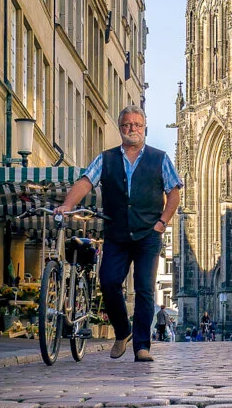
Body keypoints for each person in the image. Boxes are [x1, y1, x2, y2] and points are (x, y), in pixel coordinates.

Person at [59, 106, 181, 364]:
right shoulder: (106, 158)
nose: (132, 129)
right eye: (127, 125)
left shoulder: (159, 158)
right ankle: (122, 330)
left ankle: (142, 347)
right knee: (109, 282)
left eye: (137, 125)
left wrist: (162, 222)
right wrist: (68, 205)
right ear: (120, 128)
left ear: (144, 127)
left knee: (145, 289)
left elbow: (174, 192)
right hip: (116, 232)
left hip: (148, 234)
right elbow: (85, 182)